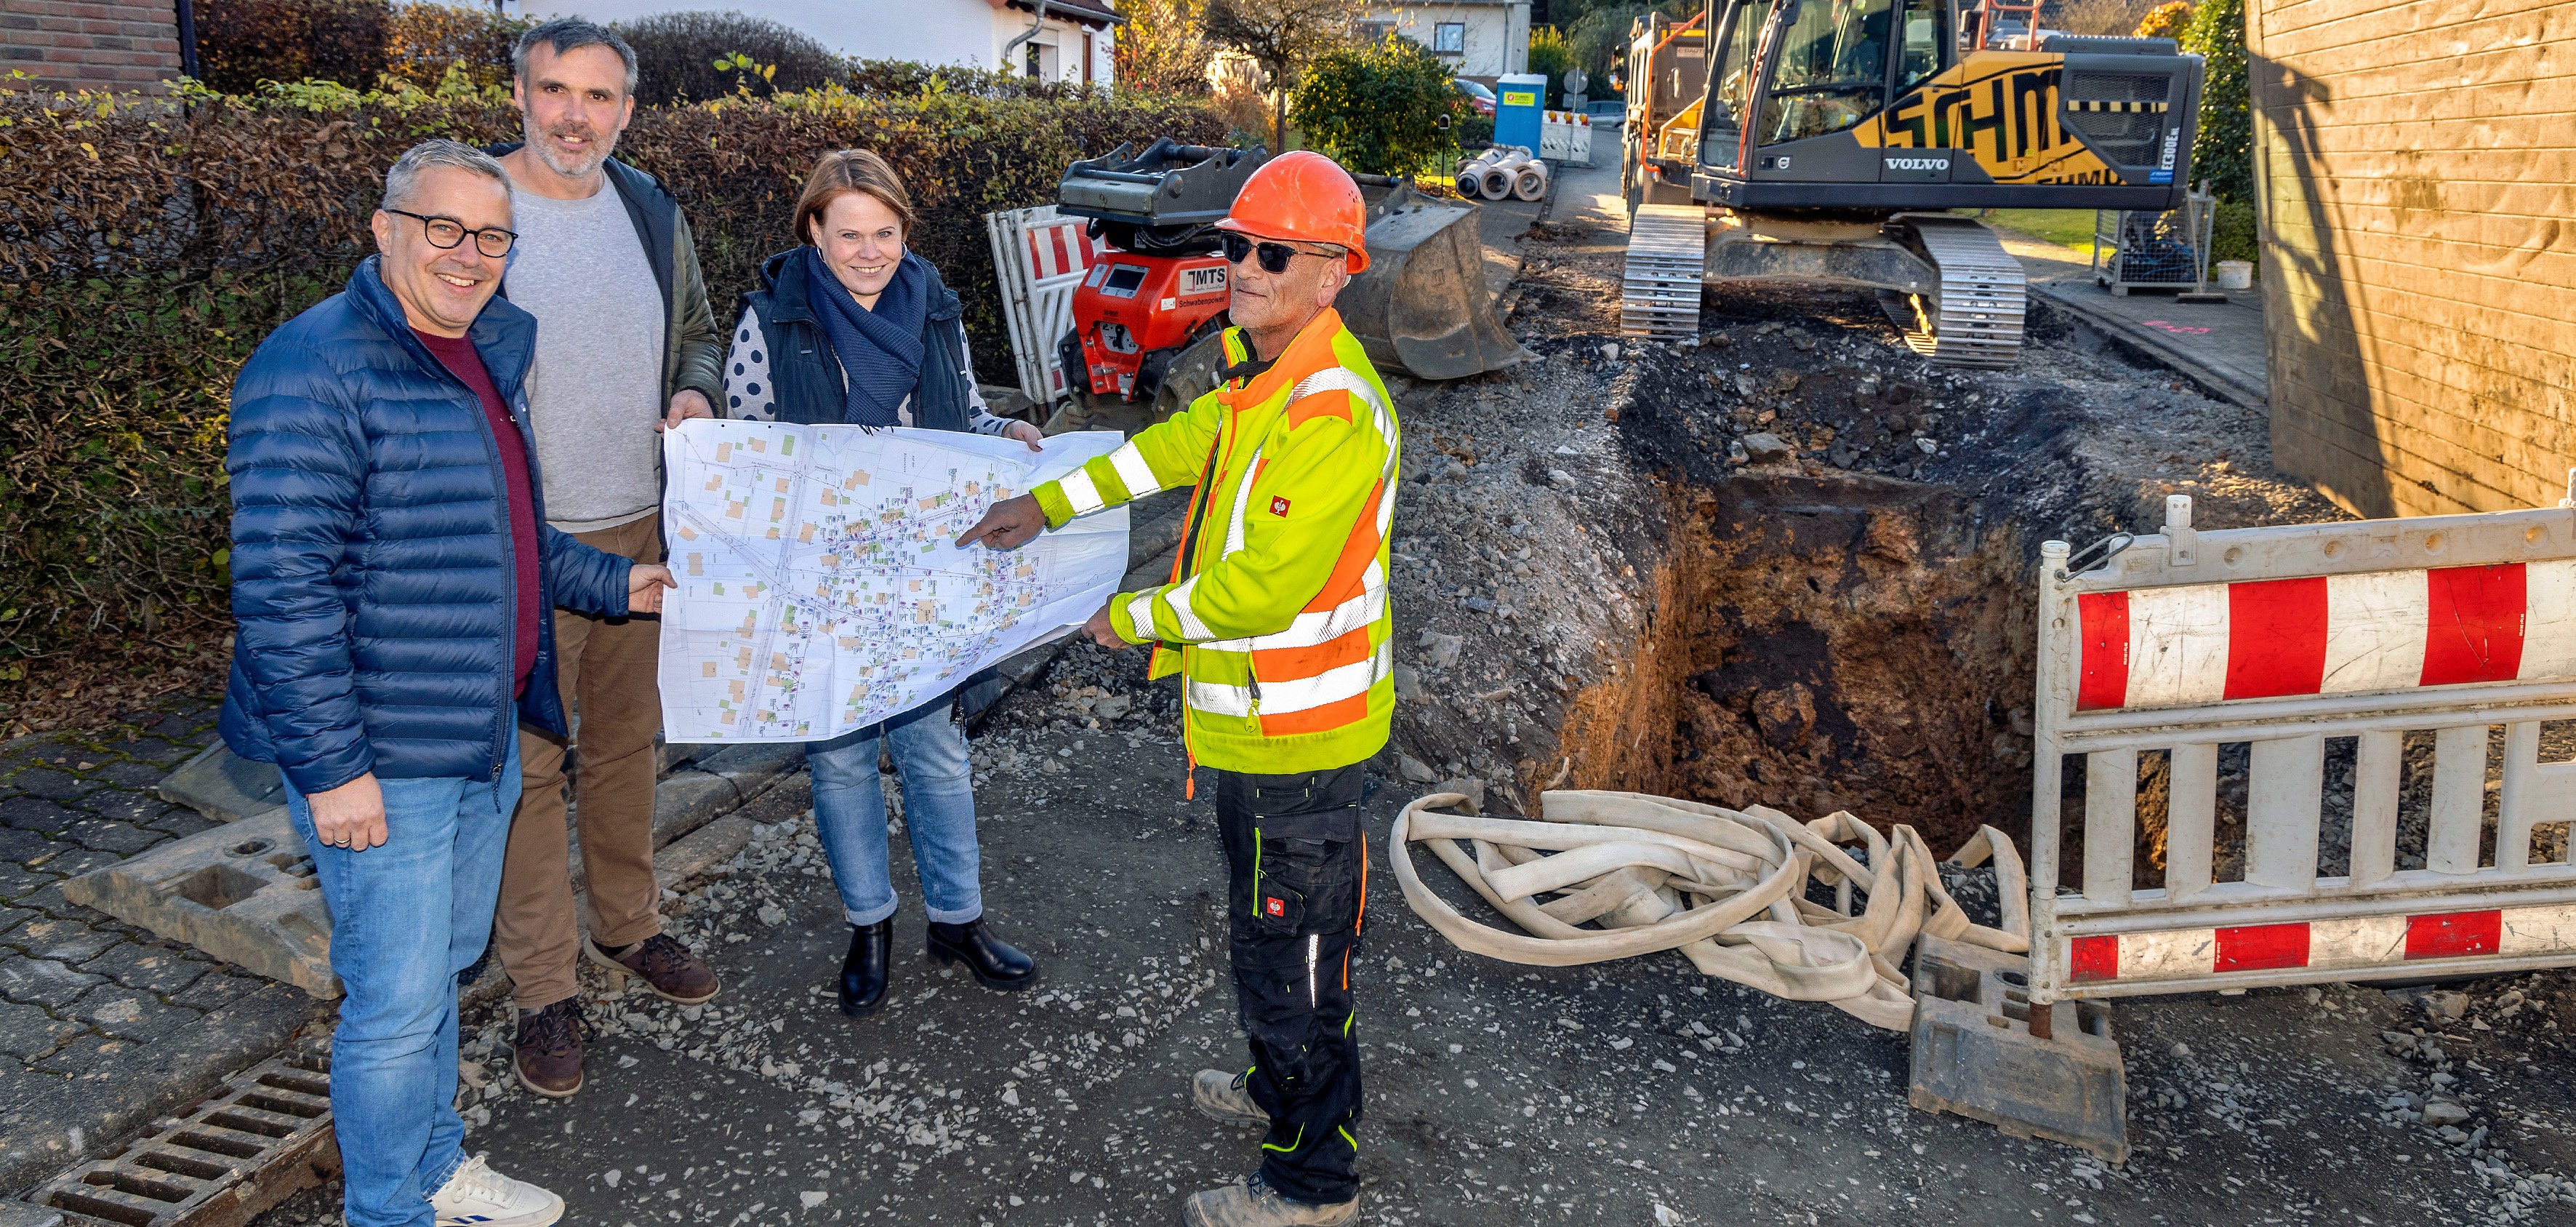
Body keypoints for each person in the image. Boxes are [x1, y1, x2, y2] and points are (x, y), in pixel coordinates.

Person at [220, 140, 677, 1227]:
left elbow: (507, 541)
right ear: (384, 229)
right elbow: (281, 587)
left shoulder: (476, 352)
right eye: (443, 228)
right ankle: (389, 1207)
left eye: (490, 235)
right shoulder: (314, 366)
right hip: (384, 751)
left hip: (476, 730)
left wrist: (621, 581)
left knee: (434, 979)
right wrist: (334, 771)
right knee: (391, 1005)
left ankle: (431, 1168)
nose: (468, 254)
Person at [956, 150, 1400, 1227]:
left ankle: (1310, 1177)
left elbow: (1257, 591)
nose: (1240, 265)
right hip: (1258, 732)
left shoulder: (1329, 409)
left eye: (1269, 251)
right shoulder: (1259, 374)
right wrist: (1050, 502)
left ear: (1332, 269)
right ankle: (1274, 1090)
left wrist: (1128, 615)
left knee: (1294, 962)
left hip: (1302, 741)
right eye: (1235, 245)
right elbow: (1166, 450)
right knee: (1265, 939)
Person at [723, 148, 1043, 1020]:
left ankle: (958, 919)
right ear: (814, 232)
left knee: (937, 752)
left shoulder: (936, 308)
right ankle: (870, 927)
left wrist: (1002, 430)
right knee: (841, 760)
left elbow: (964, 411)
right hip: (825, 582)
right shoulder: (770, 321)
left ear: (906, 230)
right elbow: (747, 450)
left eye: (886, 233)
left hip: (924, 574)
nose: (870, 251)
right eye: (849, 234)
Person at [483, 17, 727, 1100]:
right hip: (523, 545)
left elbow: (700, 330)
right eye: (553, 91)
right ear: (519, 96)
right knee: (528, 769)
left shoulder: (648, 209)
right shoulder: (473, 210)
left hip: (640, 530)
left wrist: (696, 388)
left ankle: (630, 926)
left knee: (627, 744)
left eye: (597, 96)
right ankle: (543, 986)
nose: (573, 115)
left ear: (626, 109)